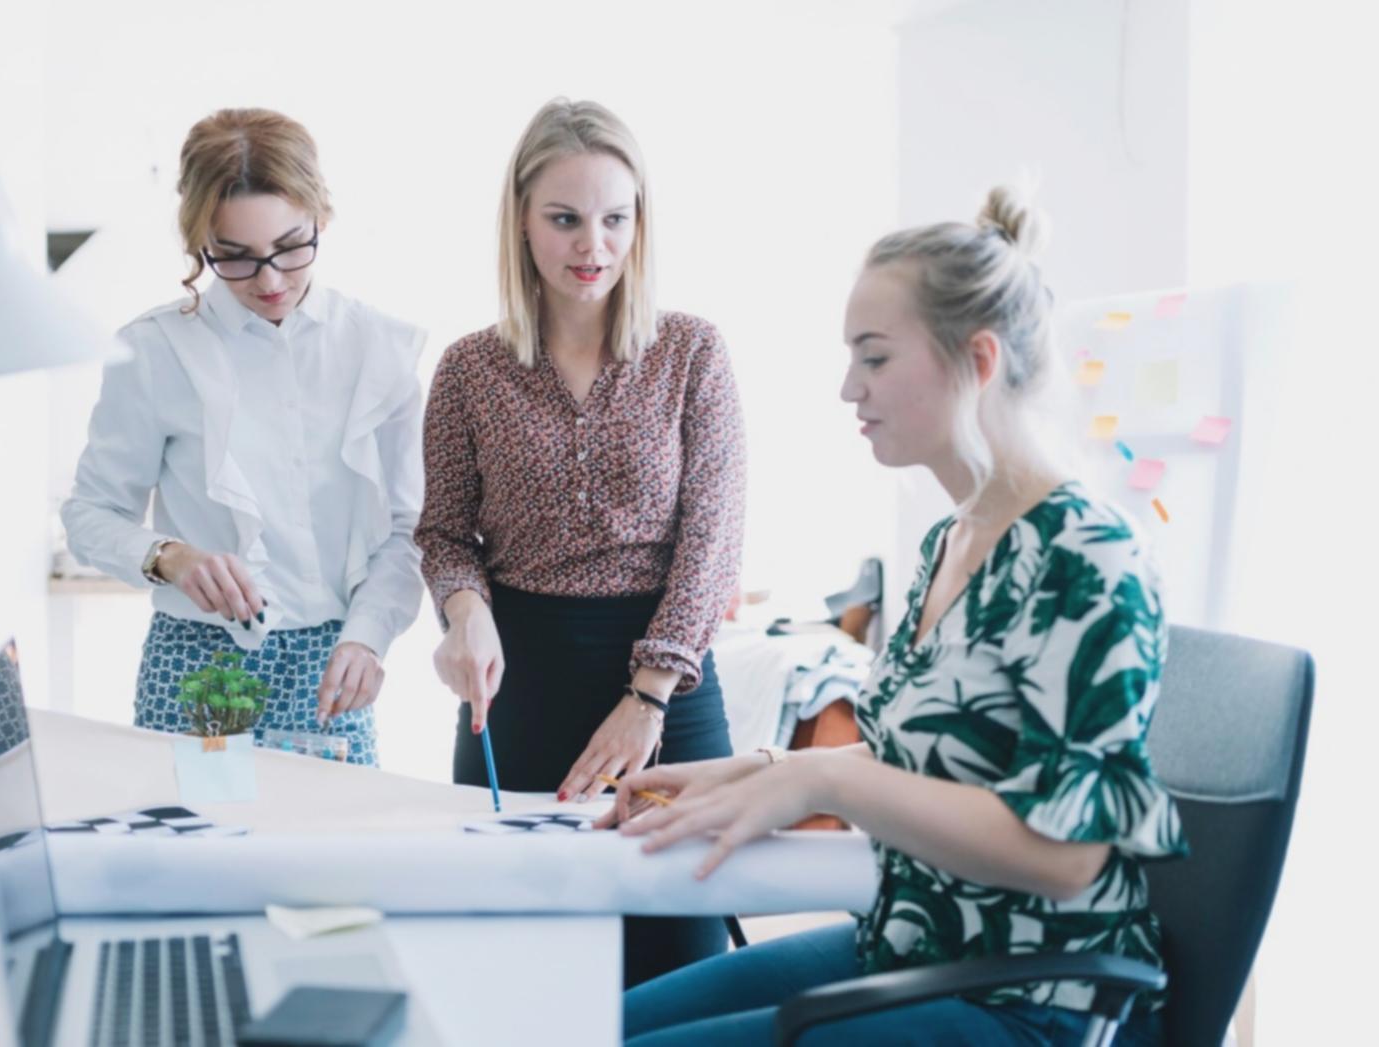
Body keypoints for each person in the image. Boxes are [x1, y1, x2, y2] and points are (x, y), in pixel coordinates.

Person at [604, 188, 1187, 1045]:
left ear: (977, 360)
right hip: (915, 947)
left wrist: (827, 778)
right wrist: (751, 769)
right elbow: (929, 758)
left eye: (874, 358)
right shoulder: (950, 542)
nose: (849, 387)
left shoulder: (1087, 557)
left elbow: (1066, 855)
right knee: (588, 1026)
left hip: (1033, 998)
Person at [415, 98, 747, 986]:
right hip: (516, 686)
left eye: (615, 217)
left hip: (667, 689)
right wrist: (464, 609)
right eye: (564, 218)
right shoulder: (467, 369)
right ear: (521, 222)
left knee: (680, 974)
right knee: (517, 969)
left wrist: (647, 695)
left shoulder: (692, 353)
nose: (591, 245)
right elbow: (446, 532)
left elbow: (711, 541)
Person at [62, 108, 425, 765]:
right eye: (234, 256)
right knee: (189, 864)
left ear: (323, 215)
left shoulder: (378, 349)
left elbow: (409, 526)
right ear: (200, 242)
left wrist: (369, 637)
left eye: (291, 246)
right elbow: (88, 513)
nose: (270, 280)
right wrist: (168, 554)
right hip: (194, 670)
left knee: (327, 863)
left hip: (332, 668)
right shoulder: (156, 350)